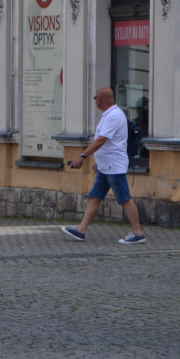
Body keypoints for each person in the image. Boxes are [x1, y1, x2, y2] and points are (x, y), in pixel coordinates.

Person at [61, 86, 146, 244]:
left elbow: (101, 140)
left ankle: (138, 233)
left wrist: (82, 156)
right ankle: (80, 230)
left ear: (100, 99)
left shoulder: (113, 116)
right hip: (106, 166)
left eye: (95, 98)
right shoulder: (109, 115)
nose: (95, 101)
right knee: (95, 197)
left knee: (124, 198)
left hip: (114, 166)